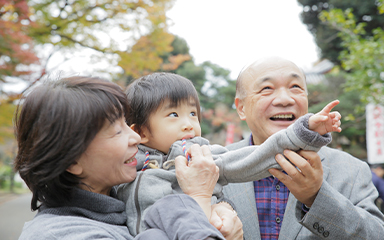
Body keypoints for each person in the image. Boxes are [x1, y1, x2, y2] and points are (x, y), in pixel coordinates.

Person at [120, 72, 341, 236]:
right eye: (174, 114)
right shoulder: (121, 166)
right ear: (139, 131)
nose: (189, 124)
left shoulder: (202, 157)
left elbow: (256, 157)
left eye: (193, 113)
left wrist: (304, 133)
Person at [14, 76, 228, 240]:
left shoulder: (123, 208)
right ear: (71, 161)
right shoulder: (64, 234)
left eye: (126, 123)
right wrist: (199, 200)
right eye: (117, 131)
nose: (136, 137)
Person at [222, 56, 384, 239]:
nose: (284, 99)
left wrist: (316, 197)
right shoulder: (212, 166)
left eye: (295, 87)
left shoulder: (352, 170)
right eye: (266, 88)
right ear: (241, 107)